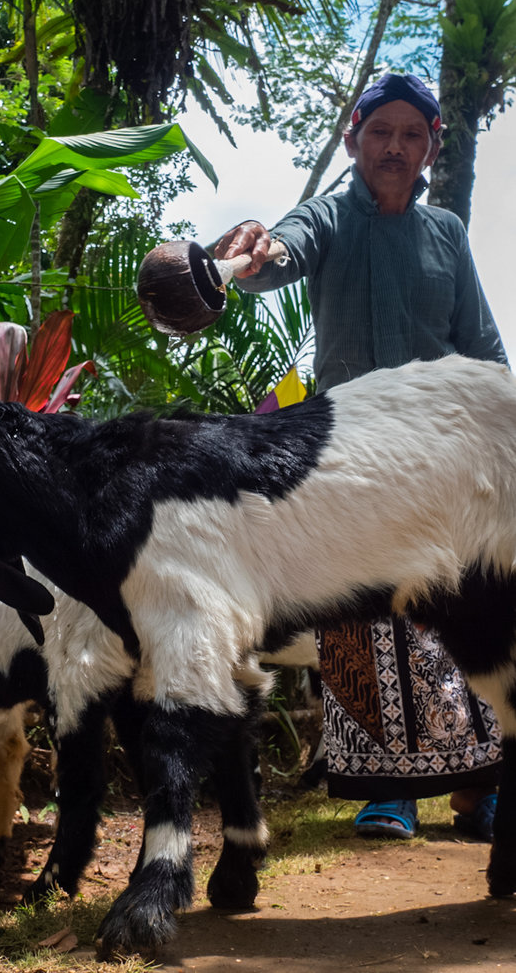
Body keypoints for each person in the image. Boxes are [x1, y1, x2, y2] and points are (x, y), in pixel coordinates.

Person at [214, 72, 507, 842]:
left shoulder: (446, 233)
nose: (395, 148)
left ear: (431, 148)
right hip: (351, 458)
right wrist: (254, 250)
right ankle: (389, 791)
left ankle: (483, 791)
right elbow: (283, 250)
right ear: (353, 139)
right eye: (381, 133)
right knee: (363, 620)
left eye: (412, 135)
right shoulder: (331, 217)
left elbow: (480, 345)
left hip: (443, 466)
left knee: (465, 609)